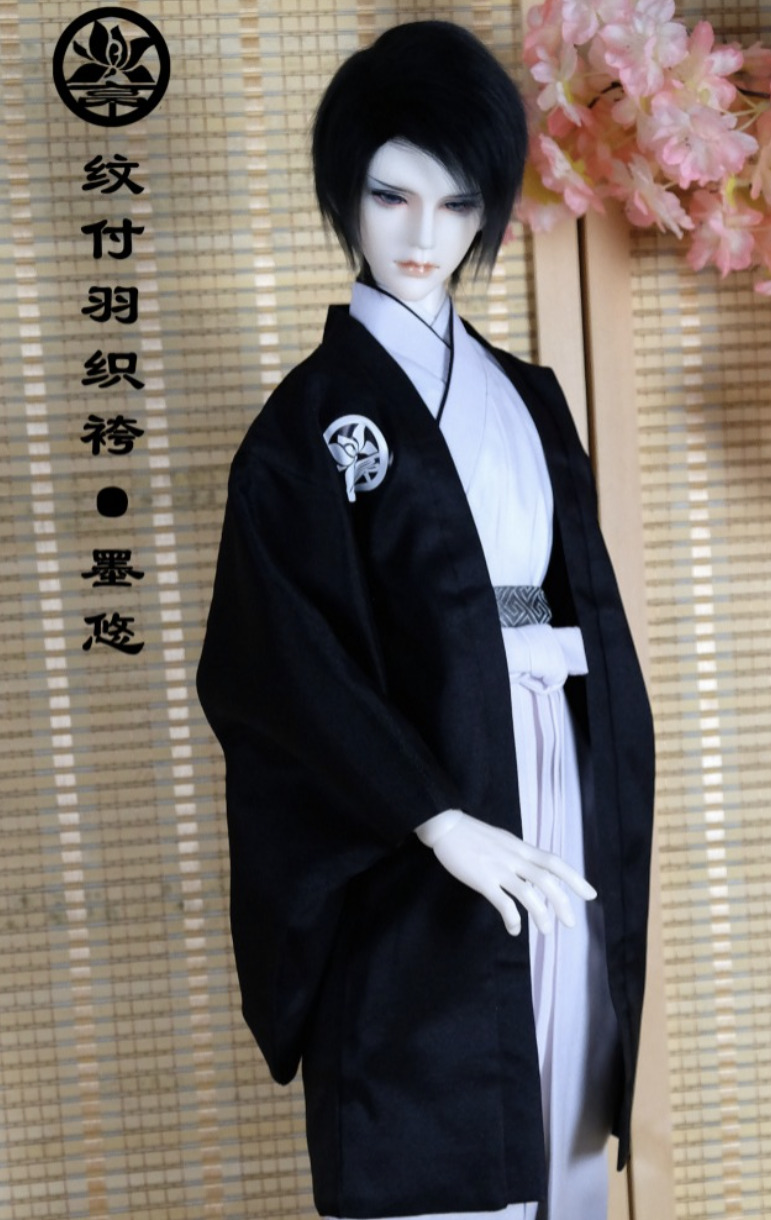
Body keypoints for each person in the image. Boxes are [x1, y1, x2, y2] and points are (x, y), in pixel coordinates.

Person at [196, 20, 654, 1220]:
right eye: (390, 196)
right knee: (429, 1048)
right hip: (408, 793)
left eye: (456, 205)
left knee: (562, 1040)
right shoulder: (311, 424)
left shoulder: (529, 397)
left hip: (552, 752)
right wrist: (435, 813)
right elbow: (276, 661)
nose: (422, 235)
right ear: (345, 195)